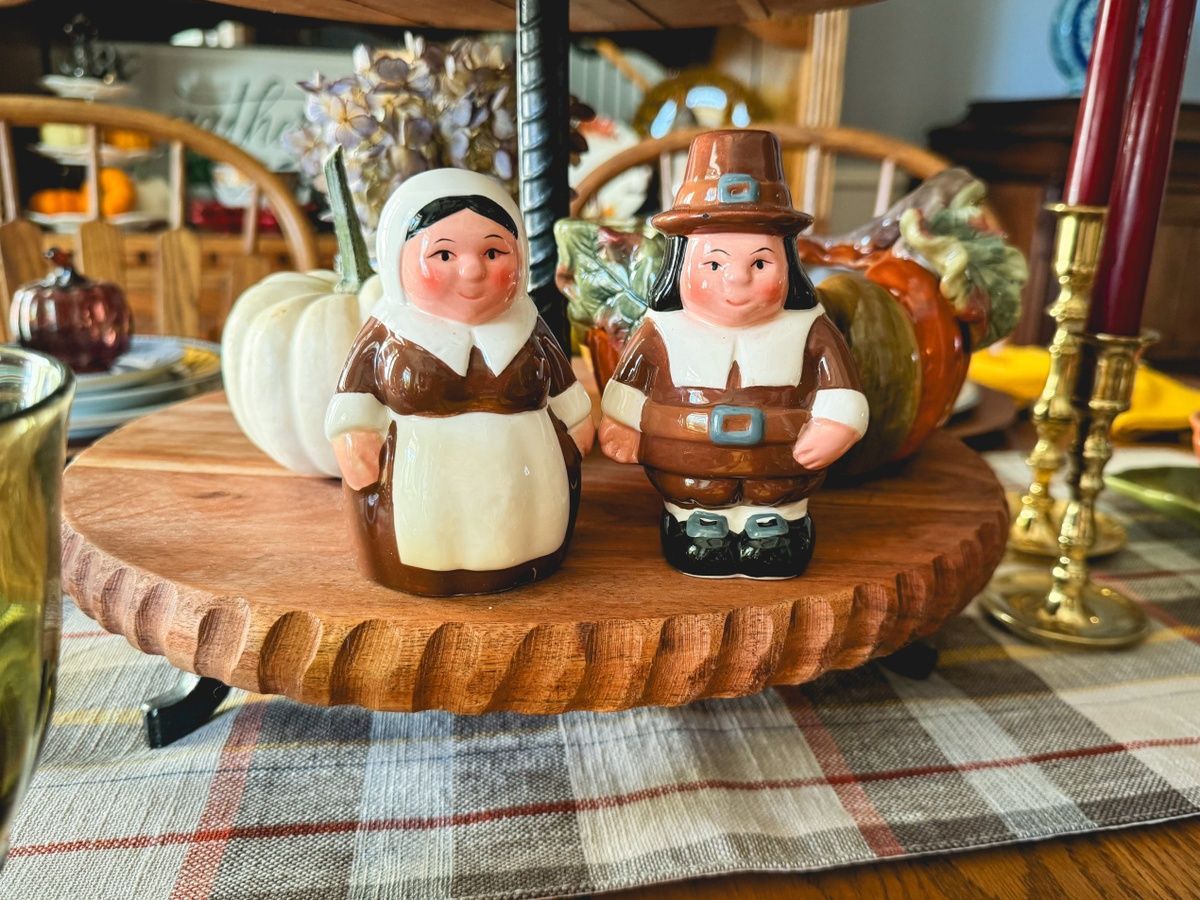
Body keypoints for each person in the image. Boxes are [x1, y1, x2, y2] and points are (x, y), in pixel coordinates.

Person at [599, 130, 867, 579]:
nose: (737, 280)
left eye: (760, 263)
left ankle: (779, 526)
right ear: (680, 263)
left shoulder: (810, 329)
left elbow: (841, 390)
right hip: (687, 474)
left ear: (788, 263)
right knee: (699, 525)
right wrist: (621, 422)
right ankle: (692, 525)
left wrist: (837, 424)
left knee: (775, 525)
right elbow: (628, 386)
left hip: (782, 472)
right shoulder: (662, 329)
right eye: (715, 264)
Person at [326, 170, 594, 596]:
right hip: (426, 483)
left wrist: (578, 421)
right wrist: (352, 435)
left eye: (493, 252)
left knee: (527, 536)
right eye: (445, 256)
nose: (472, 271)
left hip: (527, 483)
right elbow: (353, 398)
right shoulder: (389, 330)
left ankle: (532, 559)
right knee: (431, 544)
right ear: (399, 258)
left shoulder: (528, 323)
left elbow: (564, 386)